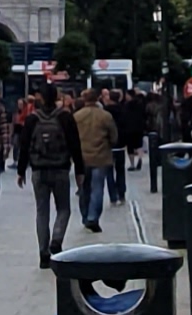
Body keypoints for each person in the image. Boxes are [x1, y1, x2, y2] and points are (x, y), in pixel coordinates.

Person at [20, 93, 82, 261]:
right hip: (60, 169)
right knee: (63, 208)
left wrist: (21, 170)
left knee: (42, 211)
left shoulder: (32, 119)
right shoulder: (65, 117)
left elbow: (24, 144)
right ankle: (57, 238)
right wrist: (79, 170)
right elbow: (75, 145)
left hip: (38, 170)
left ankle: (43, 252)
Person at [71, 90, 119, 232]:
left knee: (84, 188)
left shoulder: (77, 116)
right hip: (101, 157)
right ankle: (93, 216)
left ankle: (85, 216)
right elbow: (114, 137)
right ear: (97, 98)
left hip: (82, 158)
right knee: (97, 188)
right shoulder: (105, 116)